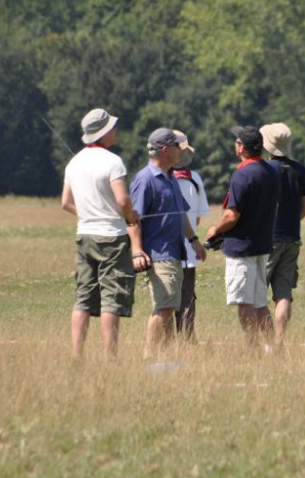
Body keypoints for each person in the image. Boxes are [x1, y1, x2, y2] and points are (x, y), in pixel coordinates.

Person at [61, 108, 140, 362]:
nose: (115, 130)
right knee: (111, 297)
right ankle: (110, 358)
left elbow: (65, 202)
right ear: (104, 133)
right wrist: (130, 217)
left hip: (84, 235)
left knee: (83, 297)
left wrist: (87, 215)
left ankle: (76, 356)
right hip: (112, 237)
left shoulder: (74, 163)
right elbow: (123, 200)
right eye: (112, 127)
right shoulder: (112, 162)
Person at [130, 128, 206, 358]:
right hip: (158, 253)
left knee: (170, 307)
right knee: (163, 308)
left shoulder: (171, 176)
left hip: (176, 251)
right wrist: (136, 251)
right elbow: (133, 220)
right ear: (165, 150)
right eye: (176, 147)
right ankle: (150, 356)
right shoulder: (145, 180)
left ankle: (166, 356)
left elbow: (181, 213)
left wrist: (193, 240)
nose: (179, 152)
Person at [205, 126, 280, 350]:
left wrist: (215, 230)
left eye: (237, 142)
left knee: (244, 301)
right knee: (260, 302)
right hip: (262, 244)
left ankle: (252, 346)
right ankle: (271, 347)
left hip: (241, 248)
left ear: (241, 147)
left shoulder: (242, 174)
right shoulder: (271, 171)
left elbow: (231, 215)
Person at [258, 122, 305, 348]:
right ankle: (279, 342)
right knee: (283, 294)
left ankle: (267, 342)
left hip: (265, 239)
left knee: (257, 294)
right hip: (292, 237)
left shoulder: (262, 170)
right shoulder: (300, 170)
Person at [171, 130, 210, 343]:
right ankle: (187, 338)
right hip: (189, 248)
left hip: (163, 248)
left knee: (166, 297)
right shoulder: (195, 179)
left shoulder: (159, 177)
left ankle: (165, 339)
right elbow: (196, 221)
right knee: (187, 297)